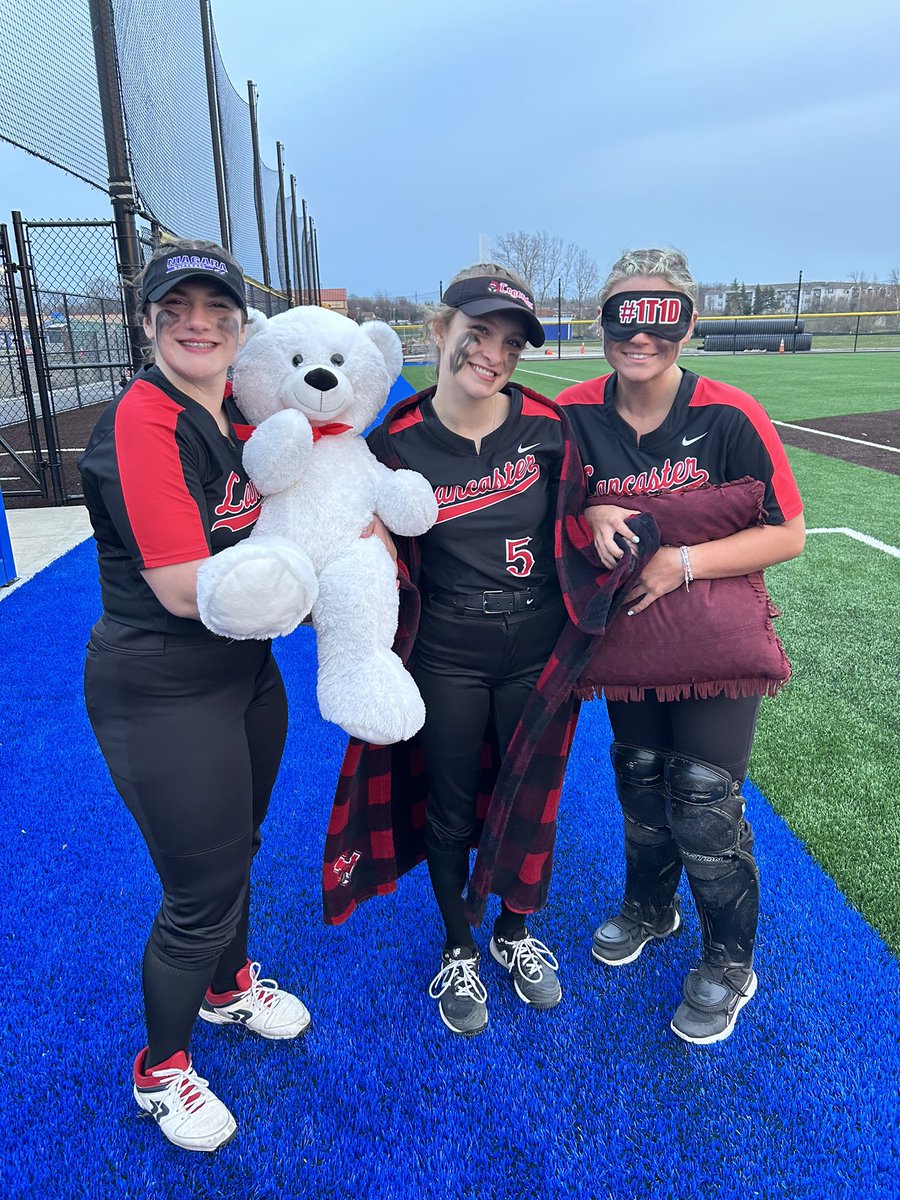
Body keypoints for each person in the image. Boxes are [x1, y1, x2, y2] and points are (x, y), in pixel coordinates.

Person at [322, 263, 652, 1037]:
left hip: (538, 647)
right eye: (478, 334)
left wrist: (602, 505)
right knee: (448, 803)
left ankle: (513, 933)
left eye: (509, 343)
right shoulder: (396, 439)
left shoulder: (547, 425)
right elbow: (355, 525)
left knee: (529, 797)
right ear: (441, 332)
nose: (492, 355)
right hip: (447, 648)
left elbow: (582, 496)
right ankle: (459, 945)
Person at [80, 239, 310, 1153]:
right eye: (176, 310)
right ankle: (161, 1070)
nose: (199, 324)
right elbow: (183, 588)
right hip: (163, 683)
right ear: (147, 324)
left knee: (238, 848)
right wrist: (307, 587)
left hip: (243, 671)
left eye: (217, 309)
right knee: (197, 894)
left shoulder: (229, 415)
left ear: (241, 325)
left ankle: (227, 990)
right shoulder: (144, 418)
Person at [556, 247, 805, 1044]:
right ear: (604, 325)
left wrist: (684, 561)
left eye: (661, 319)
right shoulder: (572, 413)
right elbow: (544, 508)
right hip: (629, 644)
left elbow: (789, 534)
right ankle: (649, 908)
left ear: (688, 326)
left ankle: (730, 961)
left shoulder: (730, 414)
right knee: (640, 783)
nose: (641, 336)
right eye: (625, 316)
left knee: (703, 798)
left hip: (711, 641)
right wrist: (590, 511)